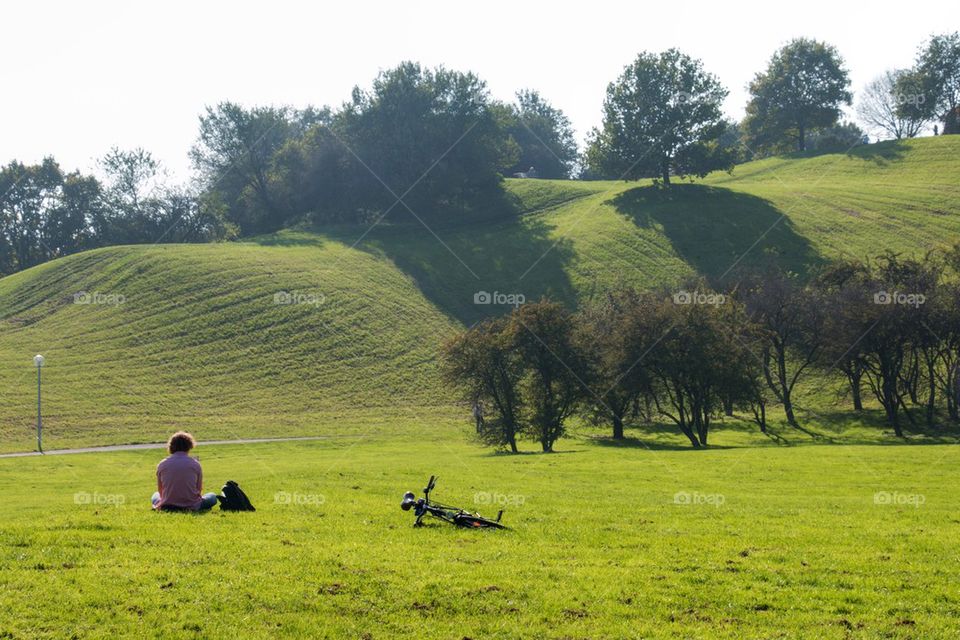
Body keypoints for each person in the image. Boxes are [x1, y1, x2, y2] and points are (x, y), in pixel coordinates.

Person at [151, 431, 218, 511]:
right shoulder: (195, 464)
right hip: (191, 505)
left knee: (155, 495)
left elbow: (160, 489)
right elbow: (198, 489)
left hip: (168, 504)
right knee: (213, 496)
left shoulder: (162, 464)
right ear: (189, 446)